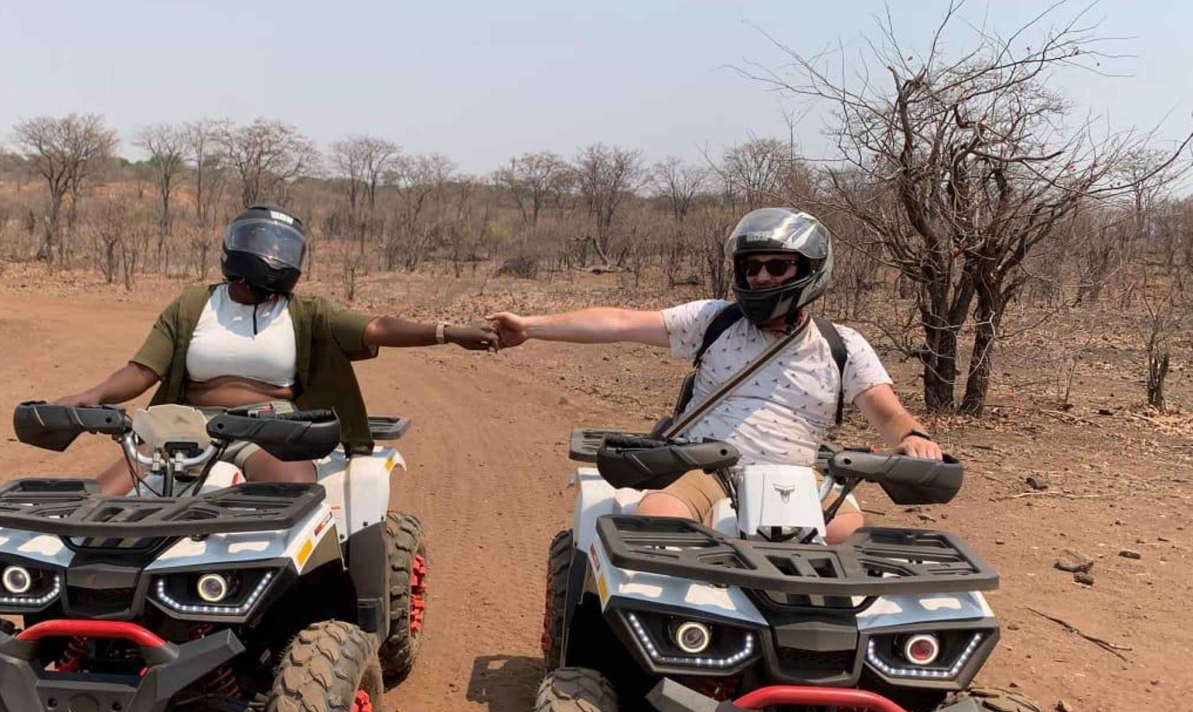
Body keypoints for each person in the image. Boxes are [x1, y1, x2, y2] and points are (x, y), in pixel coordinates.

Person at [488, 207, 943, 543]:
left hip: (798, 475)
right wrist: (530, 327)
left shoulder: (842, 345)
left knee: (851, 541)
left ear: (809, 271)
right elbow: (621, 323)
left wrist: (912, 436)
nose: (762, 277)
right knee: (655, 525)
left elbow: (886, 411)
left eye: (776, 266)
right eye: (752, 266)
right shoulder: (713, 321)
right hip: (707, 466)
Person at [57, 203, 498, 494]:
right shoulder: (194, 304)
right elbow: (143, 370)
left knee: (292, 491)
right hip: (185, 426)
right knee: (105, 496)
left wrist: (448, 332)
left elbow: (378, 328)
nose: (272, 257)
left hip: (268, 428)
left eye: (281, 250)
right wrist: (93, 396)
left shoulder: (305, 312)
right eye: (264, 248)